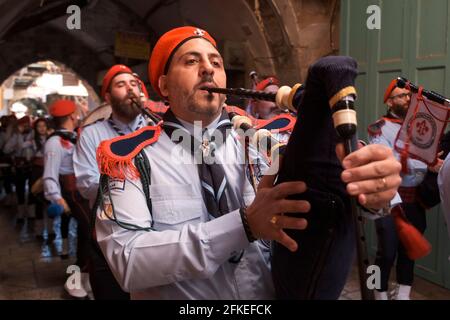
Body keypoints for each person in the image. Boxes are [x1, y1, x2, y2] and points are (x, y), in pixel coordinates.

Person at [94, 26, 401, 299]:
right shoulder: (131, 158)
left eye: (216, 62)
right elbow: (128, 260)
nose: (207, 70)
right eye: (191, 61)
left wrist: (373, 193)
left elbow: (332, 194)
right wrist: (244, 225)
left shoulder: (272, 141)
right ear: (163, 86)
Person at [73, 64, 147, 300]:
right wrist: (133, 185)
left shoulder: (157, 130)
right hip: (110, 236)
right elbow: (87, 183)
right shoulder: (92, 134)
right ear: (107, 97)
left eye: (134, 84)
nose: (130, 89)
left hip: (155, 234)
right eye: (121, 85)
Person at [368, 79, 443, 300]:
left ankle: (402, 295)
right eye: (401, 96)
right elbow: (385, 163)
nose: (407, 99)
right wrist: (421, 161)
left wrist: (432, 165)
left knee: (409, 252)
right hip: (390, 199)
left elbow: (424, 162)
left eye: (408, 95)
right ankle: (375, 291)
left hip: (414, 201)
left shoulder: (420, 126)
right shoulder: (379, 127)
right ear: (389, 102)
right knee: (386, 253)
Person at [43, 100, 91, 299]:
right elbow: (50, 173)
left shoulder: (75, 135)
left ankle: (86, 279)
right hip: (72, 192)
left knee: (88, 235)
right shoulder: (55, 141)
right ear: (72, 115)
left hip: (82, 191)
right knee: (89, 232)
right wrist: (57, 197)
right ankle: (75, 280)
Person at [3, 115, 35, 224]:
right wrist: (17, 146)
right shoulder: (16, 136)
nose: (25, 126)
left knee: (32, 189)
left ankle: (31, 212)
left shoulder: (34, 135)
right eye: (23, 125)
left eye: (27, 124)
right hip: (19, 166)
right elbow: (6, 149)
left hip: (31, 165)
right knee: (20, 189)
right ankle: (21, 212)